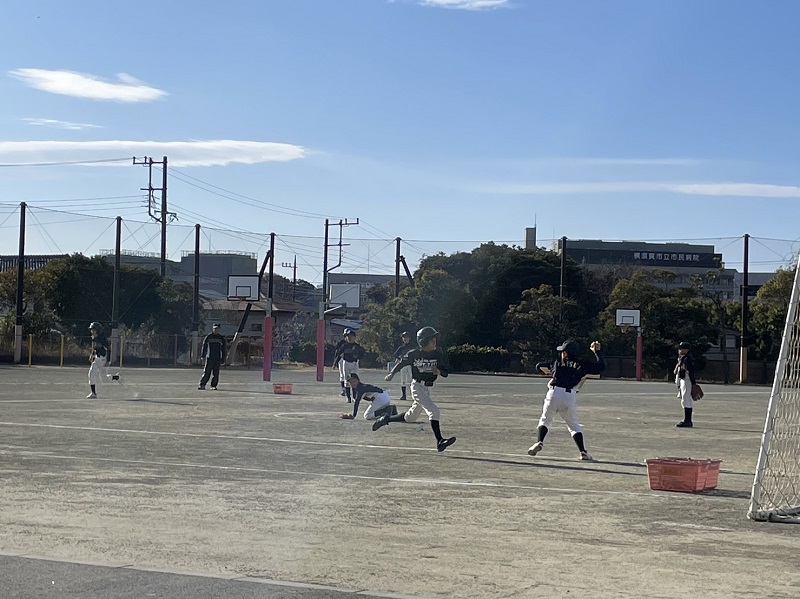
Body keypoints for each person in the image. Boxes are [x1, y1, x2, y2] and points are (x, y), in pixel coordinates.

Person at [372, 326, 457, 452]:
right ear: (424, 341)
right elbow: (401, 363)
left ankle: (386, 418)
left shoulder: (438, 353)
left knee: (410, 417)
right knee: (434, 411)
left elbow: (446, 372)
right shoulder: (414, 354)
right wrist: (391, 373)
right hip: (417, 387)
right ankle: (440, 441)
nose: (435, 342)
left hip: (428, 388)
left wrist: (439, 371)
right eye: (432, 340)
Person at [527, 339, 604, 461]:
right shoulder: (582, 364)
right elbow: (601, 366)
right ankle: (583, 452)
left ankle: (539, 441)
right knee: (574, 426)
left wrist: (542, 372)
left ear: (565, 353)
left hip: (554, 393)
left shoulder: (557, 362)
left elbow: (539, 365)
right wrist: (597, 352)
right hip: (569, 395)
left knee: (545, 420)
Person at [87, 321, 120, 399]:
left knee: (104, 379)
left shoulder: (103, 339)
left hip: (103, 359)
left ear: (97, 330)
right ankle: (93, 393)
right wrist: (92, 354)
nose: (92, 331)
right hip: (97, 358)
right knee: (91, 373)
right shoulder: (94, 337)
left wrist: (108, 361)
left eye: (93, 330)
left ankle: (117, 377)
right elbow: (96, 347)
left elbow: (109, 349)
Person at [332, 329, 365, 402]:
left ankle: (354, 397)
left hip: (354, 364)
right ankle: (348, 397)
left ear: (354, 337)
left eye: (351, 336)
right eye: (348, 336)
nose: (349, 338)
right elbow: (338, 354)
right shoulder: (344, 346)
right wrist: (335, 363)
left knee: (354, 380)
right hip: (346, 363)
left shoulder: (357, 346)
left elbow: (363, 353)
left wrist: (358, 357)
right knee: (347, 380)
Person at [674, 341, 698, 428]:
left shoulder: (687, 359)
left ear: (686, 350)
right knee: (684, 399)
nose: (679, 350)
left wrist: (693, 383)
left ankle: (688, 421)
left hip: (687, 380)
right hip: (683, 380)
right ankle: (687, 420)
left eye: (681, 348)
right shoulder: (682, 358)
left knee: (686, 399)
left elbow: (690, 372)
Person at [198, 323, 226, 390]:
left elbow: (223, 349)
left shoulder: (221, 338)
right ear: (213, 329)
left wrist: (223, 358)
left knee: (216, 373)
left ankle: (213, 385)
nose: (216, 330)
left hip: (217, 358)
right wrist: (203, 355)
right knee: (207, 372)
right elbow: (204, 346)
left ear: (219, 329)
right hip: (209, 357)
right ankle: (202, 384)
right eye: (214, 329)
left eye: (217, 329)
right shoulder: (209, 337)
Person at [391, 331, 415, 400]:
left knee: (412, 380)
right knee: (403, 380)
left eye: (406, 337)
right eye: (404, 337)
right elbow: (396, 355)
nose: (405, 339)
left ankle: (414, 394)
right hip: (403, 365)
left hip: (411, 365)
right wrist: (399, 358)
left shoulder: (412, 347)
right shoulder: (401, 348)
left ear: (409, 338)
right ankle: (404, 395)